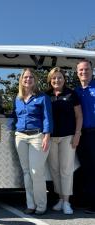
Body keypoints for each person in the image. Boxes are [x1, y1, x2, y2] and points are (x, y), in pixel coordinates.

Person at [11, 68, 52, 215]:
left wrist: (47, 135)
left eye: (31, 77)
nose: (28, 79)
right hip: (20, 137)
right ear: (21, 80)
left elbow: (47, 117)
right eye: (25, 77)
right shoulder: (18, 98)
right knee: (27, 172)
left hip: (37, 136)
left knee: (36, 172)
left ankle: (41, 205)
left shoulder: (42, 97)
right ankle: (31, 204)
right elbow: (14, 116)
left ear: (35, 80)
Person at [46, 67, 83, 215]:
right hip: (51, 138)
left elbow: (79, 116)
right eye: (54, 78)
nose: (57, 80)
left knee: (66, 170)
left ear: (64, 79)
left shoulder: (71, 94)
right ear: (50, 80)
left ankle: (67, 202)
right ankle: (60, 199)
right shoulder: (46, 95)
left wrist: (77, 134)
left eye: (59, 77)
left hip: (68, 137)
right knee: (54, 170)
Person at [74, 59, 95, 214]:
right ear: (77, 73)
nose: (84, 72)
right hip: (81, 134)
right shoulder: (76, 92)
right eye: (81, 70)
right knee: (84, 169)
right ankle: (85, 201)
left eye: (86, 69)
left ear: (92, 71)